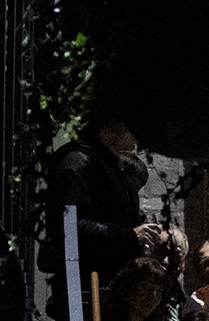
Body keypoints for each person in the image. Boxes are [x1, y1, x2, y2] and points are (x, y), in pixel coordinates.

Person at [49, 109, 150, 273]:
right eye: (128, 125)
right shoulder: (77, 161)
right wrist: (129, 237)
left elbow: (121, 214)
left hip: (112, 277)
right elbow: (69, 226)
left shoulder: (110, 164)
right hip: (87, 278)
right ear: (107, 128)